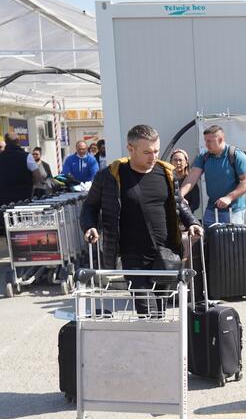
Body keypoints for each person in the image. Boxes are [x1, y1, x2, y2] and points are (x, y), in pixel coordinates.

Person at [80, 124, 202, 316]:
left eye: (156, 151)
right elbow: (90, 206)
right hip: (133, 257)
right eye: (147, 152)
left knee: (161, 310)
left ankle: (156, 335)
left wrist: (192, 222)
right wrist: (90, 226)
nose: (153, 157)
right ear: (130, 149)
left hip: (165, 254)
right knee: (148, 311)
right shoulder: (109, 176)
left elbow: (178, 204)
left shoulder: (166, 173)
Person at [179, 125, 246, 226]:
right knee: (207, 236)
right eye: (205, 141)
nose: (206, 144)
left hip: (233, 211)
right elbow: (192, 177)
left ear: (221, 139)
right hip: (212, 209)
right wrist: (181, 194)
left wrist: (229, 197)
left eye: (209, 141)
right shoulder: (204, 156)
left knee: (230, 236)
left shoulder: (236, 155)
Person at [0, 132, 39, 206]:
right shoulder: (27, 156)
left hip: (3, 200)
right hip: (23, 198)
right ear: (18, 141)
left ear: (6, 142)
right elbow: (38, 175)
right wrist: (33, 186)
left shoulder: (1, 157)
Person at [170, 148, 199, 213]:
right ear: (171, 162)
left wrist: (185, 212)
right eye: (175, 160)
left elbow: (196, 204)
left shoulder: (190, 182)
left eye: (180, 160)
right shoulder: (167, 180)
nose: (178, 163)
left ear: (186, 163)